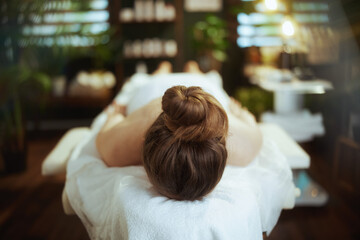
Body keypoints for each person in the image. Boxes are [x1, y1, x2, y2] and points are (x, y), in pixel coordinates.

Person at [96, 61, 263, 201]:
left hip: (159, 87)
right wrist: (239, 112)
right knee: (193, 74)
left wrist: (116, 115)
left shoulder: (116, 151)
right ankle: (188, 69)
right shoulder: (245, 145)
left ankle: (168, 69)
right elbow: (249, 119)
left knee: (162, 74)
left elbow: (112, 120)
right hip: (193, 88)